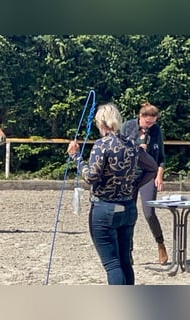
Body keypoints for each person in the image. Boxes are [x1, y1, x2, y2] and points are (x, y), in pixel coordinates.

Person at [67, 102, 157, 285]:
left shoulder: (102, 145)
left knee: (112, 264)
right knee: (125, 261)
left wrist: (77, 158)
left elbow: (91, 177)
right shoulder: (132, 144)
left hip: (105, 208)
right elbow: (152, 168)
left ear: (101, 123)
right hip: (128, 208)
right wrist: (134, 186)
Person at [121, 102, 168, 265]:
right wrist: (135, 148)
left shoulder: (156, 131)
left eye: (153, 122)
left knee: (149, 213)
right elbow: (118, 149)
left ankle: (160, 243)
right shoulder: (127, 127)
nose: (150, 125)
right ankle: (128, 251)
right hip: (129, 176)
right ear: (140, 117)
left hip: (149, 175)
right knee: (128, 214)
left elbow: (161, 157)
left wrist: (159, 175)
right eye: (148, 122)